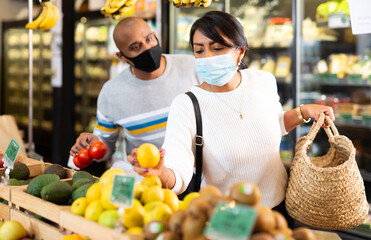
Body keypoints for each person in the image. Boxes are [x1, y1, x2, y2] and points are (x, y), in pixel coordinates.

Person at [127, 11, 335, 223]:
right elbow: (177, 169)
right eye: (199, 50)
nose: (207, 57)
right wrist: (161, 174)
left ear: (240, 52)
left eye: (217, 48)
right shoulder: (187, 104)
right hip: (228, 220)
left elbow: (272, 124)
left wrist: (303, 112)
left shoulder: (263, 81)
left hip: (280, 210)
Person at [69, 17, 201, 175]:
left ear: (155, 35)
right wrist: (93, 144)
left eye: (148, 39)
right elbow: (106, 145)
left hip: (199, 175)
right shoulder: (112, 93)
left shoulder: (193, 67)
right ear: (122, 57)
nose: (147, 48)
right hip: (148, 181)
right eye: (135, 47)